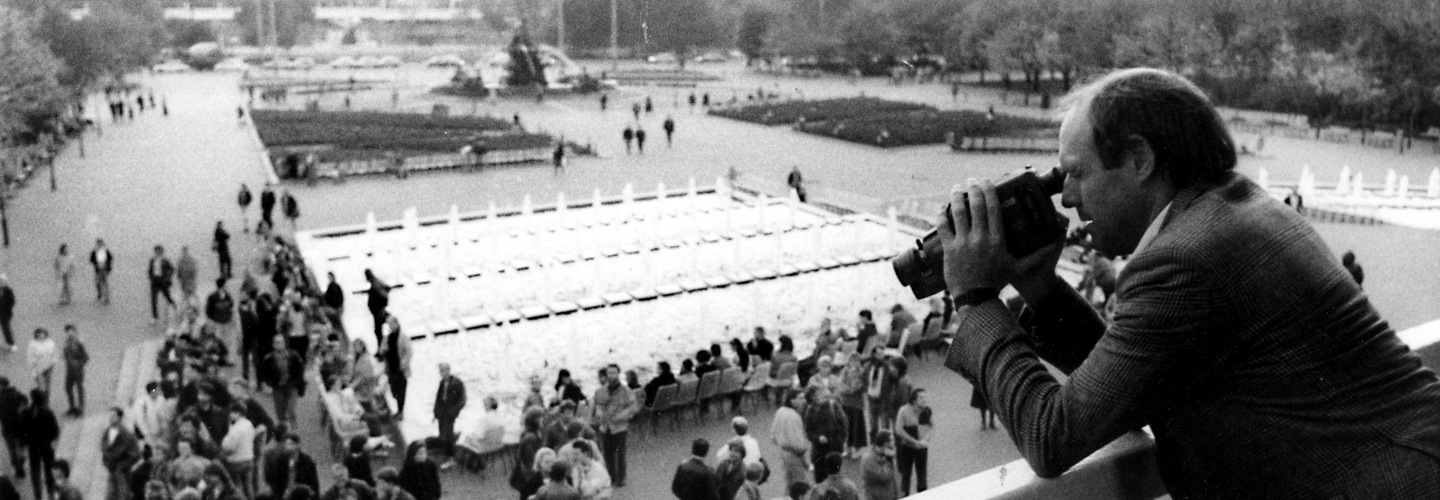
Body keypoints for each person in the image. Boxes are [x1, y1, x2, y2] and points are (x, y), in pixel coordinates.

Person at [940, 67, 1440, 497]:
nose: (1065, 198)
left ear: (1139, 160)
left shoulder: (1181, 258)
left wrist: (975, 296)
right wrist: (1040, 288)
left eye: (1074, 174)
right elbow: (1128, 383)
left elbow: (1051, 437)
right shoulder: (1230, 209)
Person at [592, 364, 636, 486]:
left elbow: (633, 407)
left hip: (619, 427)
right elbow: (597, 405)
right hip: (605, 427)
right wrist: (599, 413)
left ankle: (621, 478)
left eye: (614, 373)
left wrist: (620, 416)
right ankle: (612, 476)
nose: (611, 375)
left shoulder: (626, 391)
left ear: (618, 374)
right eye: (609, 373)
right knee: (607, 454)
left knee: (620, 453)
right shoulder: (600, 391)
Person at [802, 386, 847, 483]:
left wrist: (839, 441)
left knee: (835, 480)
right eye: (814, 396)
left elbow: (844, 425)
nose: (818, 397)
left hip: (834, 449)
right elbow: (808, 432)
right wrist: (818, 438)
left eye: (819, 394)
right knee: (820, 481)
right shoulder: (809, 411)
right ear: (811, 398)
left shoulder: (833, 406)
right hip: (819, 452)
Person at [20, 389, 59, 500]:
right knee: (49, 470)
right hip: (46, 446)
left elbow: (22, 432)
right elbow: (55, 431)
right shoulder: (47, 412)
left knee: (35, 471)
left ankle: (38, 496)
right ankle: (51, 494)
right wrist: (49, 439)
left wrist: (27, 443)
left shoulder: (25, 413)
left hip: (33, 447)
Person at [769, 388, 809, 489]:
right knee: (799, 484)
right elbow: (799, 444)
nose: (803, 401)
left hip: (783, 452)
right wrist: (804, 457)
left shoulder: (780, 411)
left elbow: (773, 434)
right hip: (794, 454)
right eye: (800, 398)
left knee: (789, 483)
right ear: (792, 400)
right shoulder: (794, 417)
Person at [260, 335, 304, 425]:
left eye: (281, 342)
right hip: (278, 388)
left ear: (285, 343)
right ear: (273, 345)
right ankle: (284, 433)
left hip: (292, 386)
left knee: (291, 410)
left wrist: (298, 382)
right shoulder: (268, 358)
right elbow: (263, 373)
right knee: (280, 414)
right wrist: (269, 384)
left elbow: (300, 369)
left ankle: (293, 432)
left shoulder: (293, 355)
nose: (279, 344)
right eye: (276, 342)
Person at [893, 389, 931, 494]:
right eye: (921, 398)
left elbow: (930, 427)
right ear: (914, 400)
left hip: (921, 448)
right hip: (907, 447)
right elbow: (898, 430)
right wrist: (914, 442)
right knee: (906, 474)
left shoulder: (926, 410)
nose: (924, 400)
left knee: (922, 475)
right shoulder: (904, 411)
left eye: (925, 397)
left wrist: (925, 440)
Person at [263, 434, 319, 498]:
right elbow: (277, 482)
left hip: (301, 495)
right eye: (286, 444)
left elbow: (314, 484)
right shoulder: (281, 461)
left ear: (297, 445)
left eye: (291, 444)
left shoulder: (307, 462)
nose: (288, 447)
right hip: (285, 495)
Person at [102, 407, 141, 500]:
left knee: (123, 494)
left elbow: (135, 453)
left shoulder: (127, 434)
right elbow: (104, 448)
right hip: (112, 469)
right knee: (111, 493)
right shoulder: (107, 432)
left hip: (123, 470)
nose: (111, 418)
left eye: (113, 416)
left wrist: (124, 463)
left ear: (119, 418)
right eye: (110, 416)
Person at [433, 363, 466, 469]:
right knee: (442, 432)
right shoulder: (442, 382)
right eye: (441, 371)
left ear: (448, 370)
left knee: (446, 434)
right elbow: (438, 397)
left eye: (444, 371)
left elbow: (462, 399)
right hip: (442, 412)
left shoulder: (457, 382)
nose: (442, 373)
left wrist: (454, 411)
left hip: (449, 413)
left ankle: (451, 458)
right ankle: (448, 451)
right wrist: (435, 412)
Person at [221, 404, 257, 500]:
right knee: (249, 487)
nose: (230, 415)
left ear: (238, 413)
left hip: (236, 462)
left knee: (237, 487)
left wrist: (224, 444)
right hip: (249, 459)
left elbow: (229, 448)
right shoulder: (249, 424)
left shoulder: (235, 429)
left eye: (232, 413)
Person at [378, 316, 411, 416]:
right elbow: (381, 348)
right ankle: (398, 406)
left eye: (391, 324)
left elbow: (409, 351)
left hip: (400, 369)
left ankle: (400, 411)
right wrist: (383, 350)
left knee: (401, 391)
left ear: (396, 324)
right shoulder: (387, 336)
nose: (390, 326)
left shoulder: (403, 337)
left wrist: (404, 363)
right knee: (393, 390)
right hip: (391, 368)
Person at [0, 378, 27, 479]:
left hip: (6, 427)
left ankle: (17, 468)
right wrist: (20, 411)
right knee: (20, 445)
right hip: (19, 424)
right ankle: (21, 460)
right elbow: (25, 401)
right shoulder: (16, 393)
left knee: (12, 448)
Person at [60, 324, 89, 417]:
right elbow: (65, 355)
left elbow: (86, 357)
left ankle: (81, 409)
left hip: (78, 370)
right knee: (68, 388)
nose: (69, 333)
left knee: (79, 388)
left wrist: (79, 364)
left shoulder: (79, 343)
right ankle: (72, 407)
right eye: (67, 332)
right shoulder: (66, 343)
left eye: (71, 331)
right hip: (69, 370)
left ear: (75, 332)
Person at [861, 431, 900, 500]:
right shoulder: (868, 459)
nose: (894, 443)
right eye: (892, 441)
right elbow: (884, 476)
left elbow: (894, 476)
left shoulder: (887, 453)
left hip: (890, 495)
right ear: (885, 444)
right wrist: (889, 460)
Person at [149, 245, 177, 321]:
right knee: (153, 300)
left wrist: (167, 277)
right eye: (156, 251)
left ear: (161, 252)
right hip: (155, 281)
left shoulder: (165, 260)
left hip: (163, 281)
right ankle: (155, 317)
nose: (157, 252)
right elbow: (150, 270)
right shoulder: (152, 260)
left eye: (159, 251)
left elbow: (172, 269)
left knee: (167, 296)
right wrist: (151, 278)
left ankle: (175, 308)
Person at [29, 328, 58, 394]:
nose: (41, 336)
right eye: (40, 334)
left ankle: (46, 400)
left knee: (47, 384)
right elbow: (30, 355)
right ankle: (40, 398)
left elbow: (54, 354)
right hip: (38, 366)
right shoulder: (32, 344)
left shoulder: (50, 343)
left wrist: (52, 363)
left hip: (48, 366)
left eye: (43, 334)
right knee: (39, 384)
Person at [365, 270, 389, 347]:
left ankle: (382, 349)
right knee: (380, 330)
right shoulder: (377, 281)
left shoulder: (375, 284)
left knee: (379, 331)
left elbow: (382, 295)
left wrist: (380, 304)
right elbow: (387, 287)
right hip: (379, 310)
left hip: (378, 311)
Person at [90, 239, 114, 304]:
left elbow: (110, 258)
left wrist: (108, 266)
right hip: (98, 269)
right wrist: (96, 263)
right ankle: (100, 293)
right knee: (98, 283)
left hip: (104, 269)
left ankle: (106, 298)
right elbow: (91, 259)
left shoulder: (106, 251)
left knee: (105, 283)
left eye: (101, 244)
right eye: (99, 244)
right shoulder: (95, 252)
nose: (100, 245)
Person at [0, 275, 12, 349]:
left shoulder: (7, 291)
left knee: (6, 328)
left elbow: (11, 301)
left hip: (5, 313)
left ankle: (9, 343)